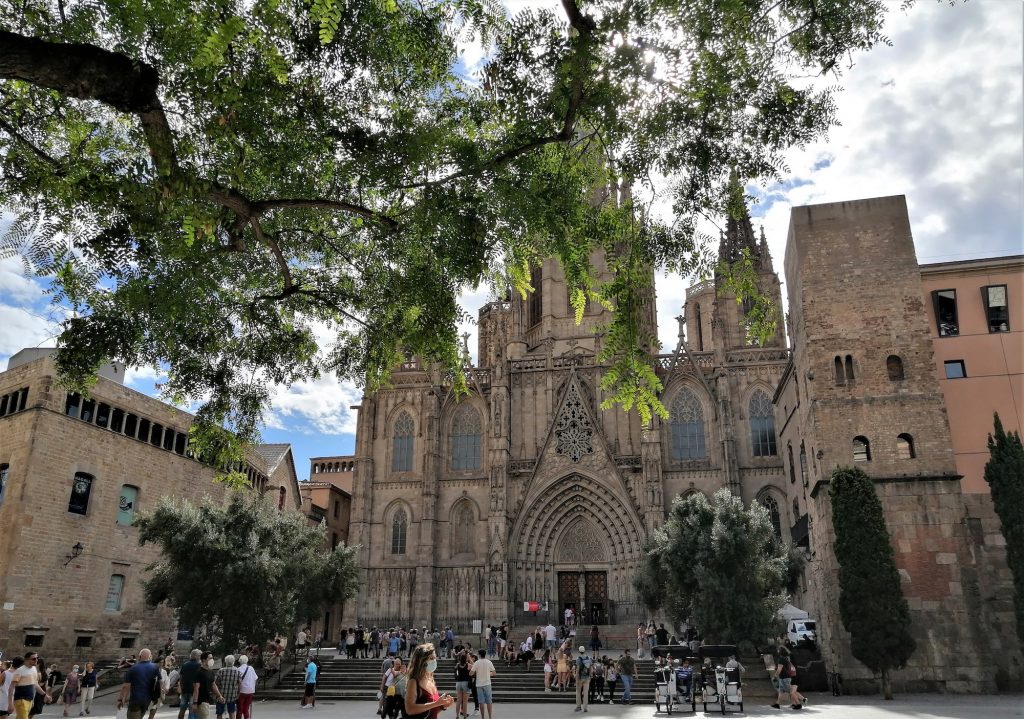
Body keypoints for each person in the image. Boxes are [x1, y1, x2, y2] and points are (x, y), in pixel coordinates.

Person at [403, 644, 453, 719]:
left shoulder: (430, 680)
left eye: (434, 658)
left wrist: (443, 706)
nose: (434, 661)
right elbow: (410, 709)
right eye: (431, 658)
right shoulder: (413, 682)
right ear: (422, 661)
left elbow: (431, 711)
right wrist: (436, 703)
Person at [118, 649, 161, 719]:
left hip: (135, 699)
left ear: (139, 656)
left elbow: (126, 686)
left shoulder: (133, 668)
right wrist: (156, 698)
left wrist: (121, 699)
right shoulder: (155, 667)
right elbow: (160, 683)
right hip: (147, 700)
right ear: (150, 656)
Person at [11, 653, 48, 719]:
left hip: (29, 699)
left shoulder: (34, 669)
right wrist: (10, 703)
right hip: (21, 700)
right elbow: (11, 687)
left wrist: (44, 695)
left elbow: (35, 684)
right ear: (27, 660)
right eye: (34, 659)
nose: (36, 660)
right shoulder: (20, 671)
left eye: (37, 658)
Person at [192, 652, 225, 719]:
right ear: (204, 660)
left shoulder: (211, 671)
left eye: (212, 658)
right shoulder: (199, 672)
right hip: (201, 702)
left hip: (207, 701)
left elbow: (213, 685)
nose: (212, 660)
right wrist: (195, 703)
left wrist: (219, 696)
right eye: (210, 658)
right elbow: (196, 688)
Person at [177, 650, 203, 719]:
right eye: (200, 656)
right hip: (194, 691)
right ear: (197, 656)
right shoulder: (199, 666)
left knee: (182, 710)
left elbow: (181, 678)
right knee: (192, 710)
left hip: (185, 690)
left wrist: (181, 688)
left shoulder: (184, 665)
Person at [470, 649, 495, 719]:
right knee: (489, 701)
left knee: (481, 702)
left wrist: (475, 672)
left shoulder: (477, 663)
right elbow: (494, 673)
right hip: (487, 683)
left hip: (479, 684)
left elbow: (471, 673)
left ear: (479, 655)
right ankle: (490, 717)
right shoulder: (489, 662)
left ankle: (483, 717)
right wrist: (488, 673)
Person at [573, 646, 592, 713]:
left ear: (579, 651)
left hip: (580, 678)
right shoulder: (589, 658)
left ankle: (578, 706)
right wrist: (590, 676)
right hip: (587, 678)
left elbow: (578, 669)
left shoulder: (578, 658)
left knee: (578, 692)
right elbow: (590, 668)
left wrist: (577, 678)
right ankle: (585, 708)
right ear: (584, 650)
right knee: (586, 693)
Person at [453, 653, 471, 719]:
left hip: (458, 683)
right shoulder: (468, 665)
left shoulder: (457, 665)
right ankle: (465, 716)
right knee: (465, 701)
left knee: (458, 700)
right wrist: (470, 659)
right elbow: (474, 667)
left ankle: (457, 716)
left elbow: (455, 671)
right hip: (465, 683)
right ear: (466, 658)